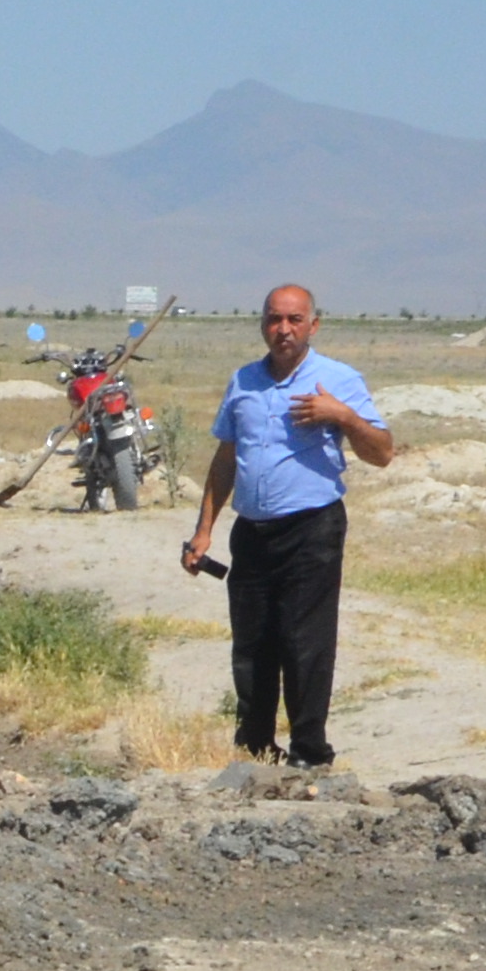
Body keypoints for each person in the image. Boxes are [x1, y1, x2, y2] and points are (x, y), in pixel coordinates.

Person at [179, 282, 394, 766]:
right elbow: (225, 456)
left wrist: (342, 416)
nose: (284, 330)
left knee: (305, 641)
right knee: (253, 642)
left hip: (311, 529)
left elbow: (382, 453)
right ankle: (254, 747)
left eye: (295, 320)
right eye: (275, 319)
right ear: (262, 325)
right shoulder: (244, 382)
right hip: (252, 532)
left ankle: (309, 750)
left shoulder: (336, 379)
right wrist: (204, 529)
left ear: (313, 326)